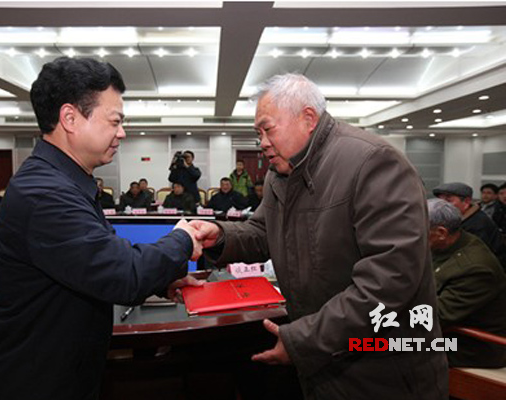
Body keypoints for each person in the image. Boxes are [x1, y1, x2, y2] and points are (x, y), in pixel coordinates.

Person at [190, 73, 448, 399]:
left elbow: (388, 281)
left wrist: (304, 341)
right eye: (258, 133)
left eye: (268, 129)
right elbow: (263, 232)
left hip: (382, 366)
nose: (262, 143)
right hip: (322, 360)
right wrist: (220, 235)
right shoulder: (280, 172)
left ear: (308, 118)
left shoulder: (374, 162)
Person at [0, 57, 202, 400]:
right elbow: (123, 273)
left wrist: (161, 281)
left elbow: (93, 266)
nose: (122, 133)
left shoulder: (66, 182)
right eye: (115, 121)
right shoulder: (45, 193)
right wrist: (183, 239)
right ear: (70, 118)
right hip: (40, 382)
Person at [428, 198, 506, 368]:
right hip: (446, 333)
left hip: (468, 345)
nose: (411, 235)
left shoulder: (475, 268)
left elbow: (434, 318)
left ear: (441, 232)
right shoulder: (446, 244)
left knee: (378, 348)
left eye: (417, 230)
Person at [433, 182, 506, 269]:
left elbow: (475, 258)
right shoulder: (454, 220)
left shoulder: (477, 224)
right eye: (440, 201)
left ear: (466, 202)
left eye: (448, 201)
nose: (442, 206)